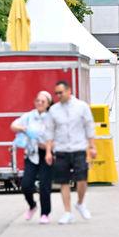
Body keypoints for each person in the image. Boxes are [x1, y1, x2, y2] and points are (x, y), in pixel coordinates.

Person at [45, 81, 96, 225]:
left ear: (69, 91)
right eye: (56, 93)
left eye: (61, 93)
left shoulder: (82, 107)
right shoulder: (54, 110)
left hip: (78, 148)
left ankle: (80, 202)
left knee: (82, 178)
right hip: (61, 149)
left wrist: (92, 146)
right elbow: (49, 132)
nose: (58, 96)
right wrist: (48, 152)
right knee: (63, 181)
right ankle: (67, 212)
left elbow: (89, 127)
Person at [11, 91, 53, 224]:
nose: (39, 103)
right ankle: (32, 205)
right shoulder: (29, 116)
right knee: (26, 185)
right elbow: (13, 126)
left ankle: (45, 213)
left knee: (45, 186)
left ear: (48, 104)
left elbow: (54, 137)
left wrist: (48, 150)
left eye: (43, 101)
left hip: (46, 153)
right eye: (38, 100)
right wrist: (23, 129)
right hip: (31, 153)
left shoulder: (52, 118)